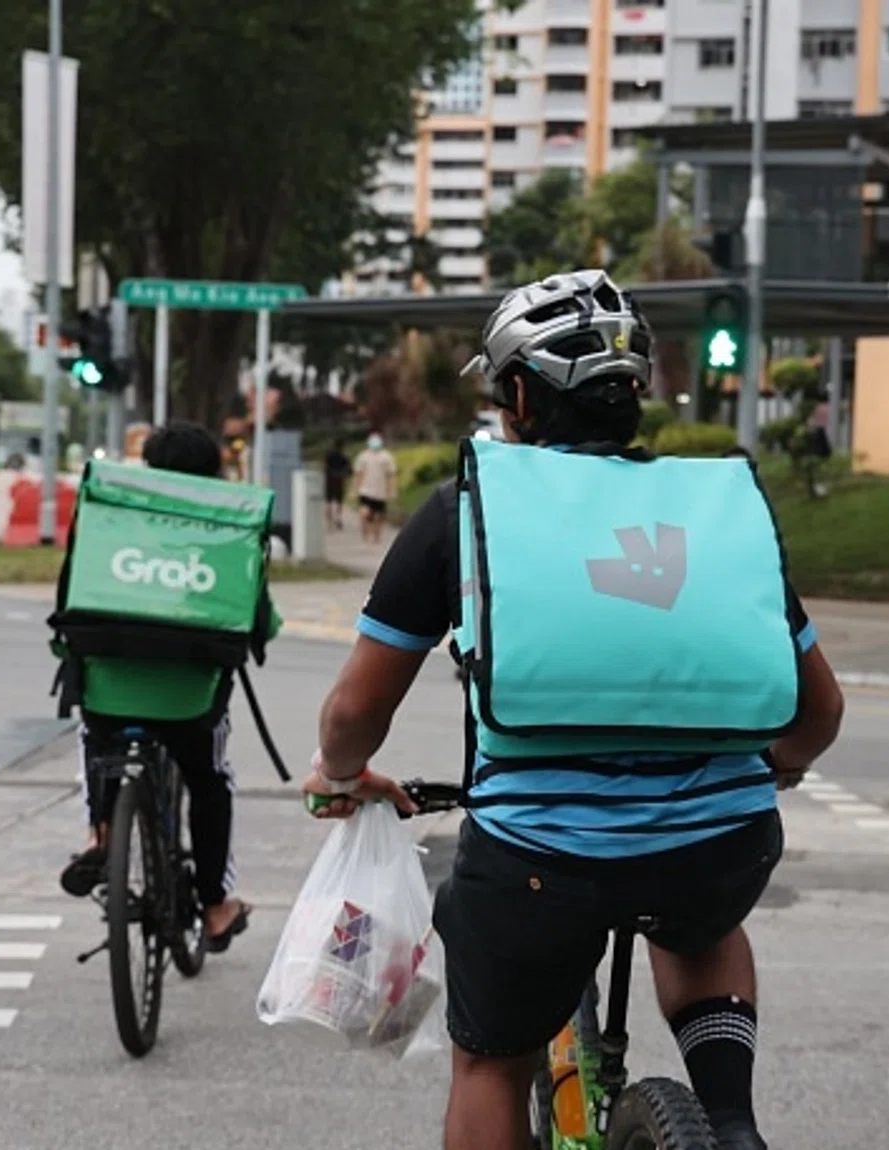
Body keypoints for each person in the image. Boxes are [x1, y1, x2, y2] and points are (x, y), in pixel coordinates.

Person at [304, 269, 845, 1150]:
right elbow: (819, 712)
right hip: (724, 842)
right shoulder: (719, 508)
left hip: (536, 861)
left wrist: (339, 773)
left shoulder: (466, 508)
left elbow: (356, 712)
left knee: (491, 1061)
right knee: (701, 921)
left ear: (519, 395)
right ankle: (731, 1125)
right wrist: (776, 767)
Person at [51, 421, 259, 952]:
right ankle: (215, 906)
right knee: (211, 780)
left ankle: (100, 834)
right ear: (215, 474)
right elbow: (260, 616)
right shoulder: (229, 526)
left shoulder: (108, 515)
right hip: (190, 700)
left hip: (107, 690)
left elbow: (70, 595)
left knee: (95, 743)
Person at [352, 431, 398, 544]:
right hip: (367, 490)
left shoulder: (385, 457)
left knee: (377, 515)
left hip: (379, 491)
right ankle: (368, 531)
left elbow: (391, 475)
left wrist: (391, 490)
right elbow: (358, 474)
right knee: (368, 513)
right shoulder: (364, 456)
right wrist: (356, 489)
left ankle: (375, 535)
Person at [323, 438, 351, 531]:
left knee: (328, 502)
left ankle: (329, 523)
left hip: (329, 480)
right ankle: (338, 518)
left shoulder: (328, 455)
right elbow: (348, 469)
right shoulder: (344, 456)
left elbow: (325, 467)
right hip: (339, 481)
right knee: (339, 501)